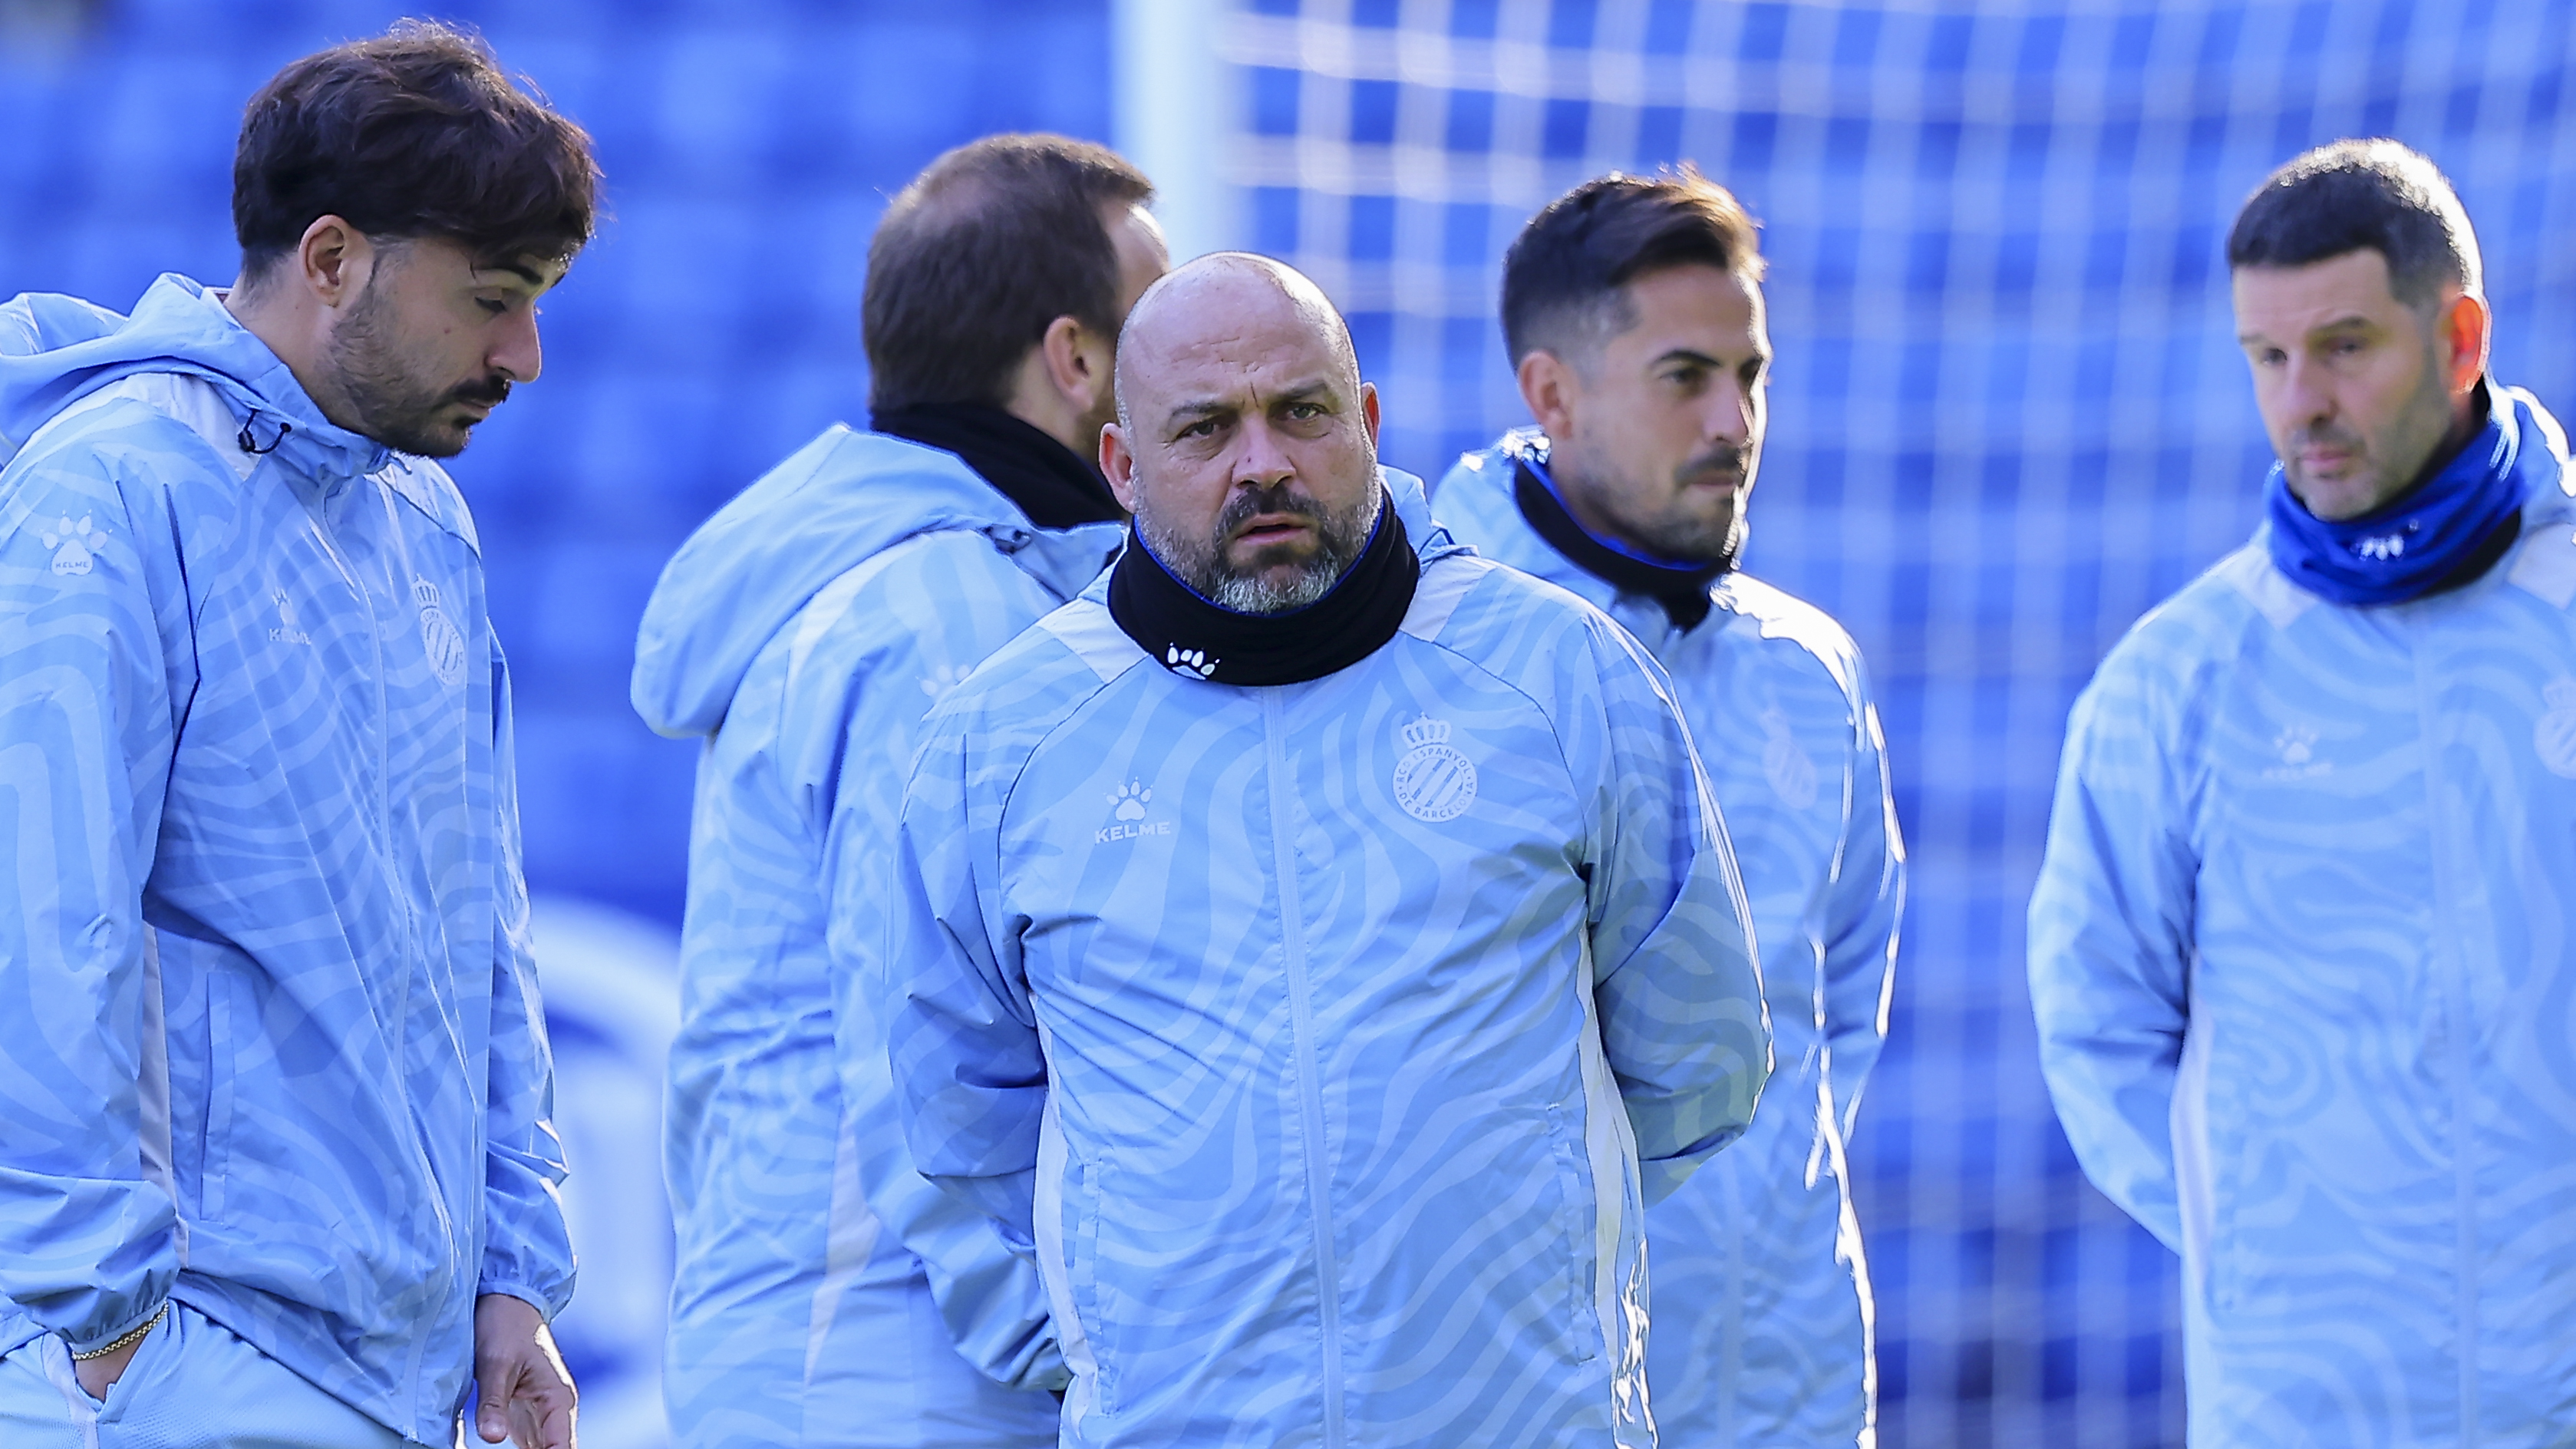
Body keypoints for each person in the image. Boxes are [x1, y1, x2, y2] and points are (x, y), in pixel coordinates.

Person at [884, 252, 1772, 1448]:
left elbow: (1698, 1054)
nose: (1263, 462)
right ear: (1122, 468)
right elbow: (957, 1113)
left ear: (1362, 420)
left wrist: (1519, 1268)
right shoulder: (1004, 740)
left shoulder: (1557, 677)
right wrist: (1112, 1347)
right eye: (1203, 429)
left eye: (1299, 412)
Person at [0, 21, 595, 1449]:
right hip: (173, 1353)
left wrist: (514, 1278)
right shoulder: (110, 493)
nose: (525, 355)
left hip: (394, 1374)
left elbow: (479, 939)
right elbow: (38, 928)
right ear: (331, 259)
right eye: (494, 299)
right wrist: (108, 1331)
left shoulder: (425, 522)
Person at [2030, 139, 2576, 1444]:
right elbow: (2095, 1024)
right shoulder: (2176, 680)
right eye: (2264, 360)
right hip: (2301, 1404)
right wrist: (2272, 1246)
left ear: (2457, 338)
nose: (2299, 403)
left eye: (2342, 347)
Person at [631, 134, 1166, 1448]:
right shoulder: (934, 616)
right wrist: (1064, 1352)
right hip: (896, 1375)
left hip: (866, 1356)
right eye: (1157, 332)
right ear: (1076, 361)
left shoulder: (939, 586)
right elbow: (923, 1040)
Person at [1433, 169, 1903, 1447]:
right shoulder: (1427, 662)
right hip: (1523, 1402)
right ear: (1551, 393)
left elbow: (1832, 1020)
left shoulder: (1808, 670)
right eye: (1685, 376)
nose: (1734, 419)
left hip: (1786, 1389)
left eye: (1749, 374)